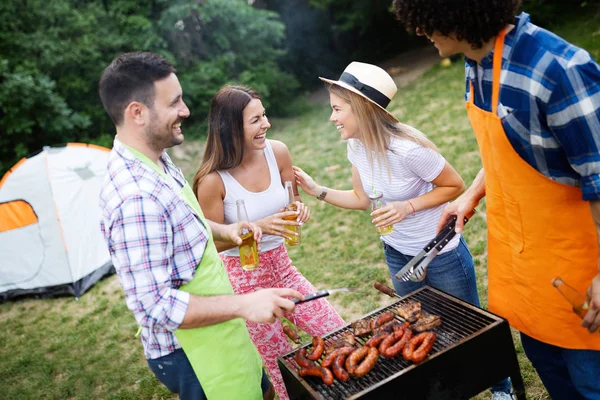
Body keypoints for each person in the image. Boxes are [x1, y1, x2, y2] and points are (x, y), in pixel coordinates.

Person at [392, 1, 600, 399]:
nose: (419, 31)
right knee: (558, 384)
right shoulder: (477, 63)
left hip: (581, 279)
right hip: (528, 277)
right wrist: (470, 194)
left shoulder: (560, 70)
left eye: (425, 20)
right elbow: (516, 148)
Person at [293, 61, 511, 397]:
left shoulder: (407, 149)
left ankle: (502, 387)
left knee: (473, 327)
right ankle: (444, 385)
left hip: (440, 252)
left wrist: (407, 207)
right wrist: (316, 189)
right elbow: (360, 199)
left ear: (362, 109)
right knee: (418, 325)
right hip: (397, 254)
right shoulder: (355, 145)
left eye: (337, 110)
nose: (332, 118)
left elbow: (455, 186)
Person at [98, 52, 304, 400]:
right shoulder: (135, 198)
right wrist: (243, 304)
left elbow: (188, 226)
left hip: (221, 323)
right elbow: (155, 307)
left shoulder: (159, 162)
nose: (186, 111)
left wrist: (227, 231)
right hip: (192, 350)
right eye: (174, 102)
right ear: (137, 112)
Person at [192, 85, 345, 400]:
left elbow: (292, 200)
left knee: (338, 335)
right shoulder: (212, 181)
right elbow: (210, 246)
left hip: (284, 270)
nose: (267, 125)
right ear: (231, 127)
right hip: (244, 284)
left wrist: (298, 209)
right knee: (283, 370)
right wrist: (253, 228)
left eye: (264, 116)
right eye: (256, 120)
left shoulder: (278, 152)